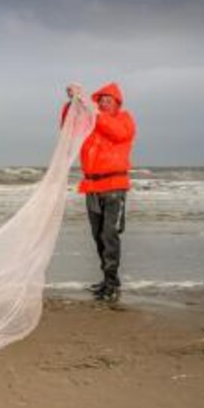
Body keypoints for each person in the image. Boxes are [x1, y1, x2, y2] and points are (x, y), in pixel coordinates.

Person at [65, 82, 137, 302]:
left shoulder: (124, 119)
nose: (104, 103)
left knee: (110, 235)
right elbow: (67, 125)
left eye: (109, 100)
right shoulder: (90, 121)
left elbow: (117, 134)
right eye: (101, 100)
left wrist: (93, 111)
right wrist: (74, 101)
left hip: (114, 187)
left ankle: (112, 283)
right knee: (98, 236)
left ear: (117, 103)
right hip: (92, 187)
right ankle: (107, 280)